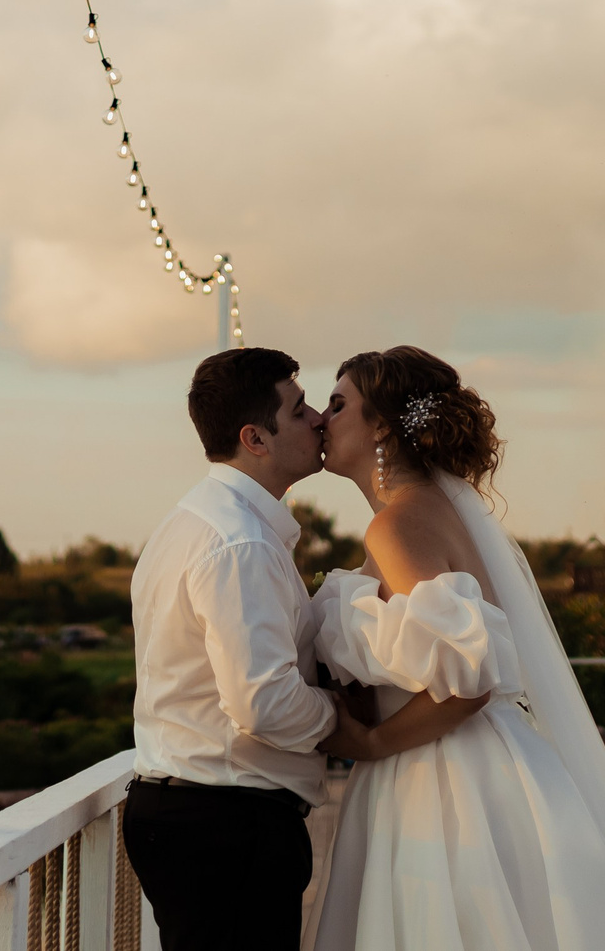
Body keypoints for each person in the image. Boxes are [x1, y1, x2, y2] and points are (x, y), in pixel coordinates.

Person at [308, 346, 605, 951]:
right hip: (451, 763)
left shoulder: (397, 524)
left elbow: (469, 675)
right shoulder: (424, 512)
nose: (321, 418)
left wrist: (371, 742)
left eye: (338, 404)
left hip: (439, 778)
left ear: (382, 423)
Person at [123, 345, 339, 951]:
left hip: (194, 813)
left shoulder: (193, 521)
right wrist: (346, 718)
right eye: (299, 411)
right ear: (256, 437)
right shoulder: (238, 543)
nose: (319, 418)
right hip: (225, 823)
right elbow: (264, 703)